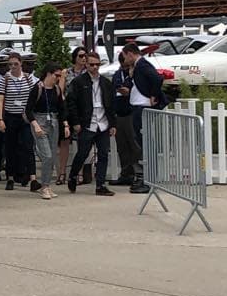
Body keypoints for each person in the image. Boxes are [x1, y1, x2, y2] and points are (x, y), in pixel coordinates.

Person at [66, 52, 116, 196]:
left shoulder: (106, 83)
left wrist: (113, 124)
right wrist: (75, 122)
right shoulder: (79, 82)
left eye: (97, 64)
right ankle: (73, 175)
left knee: (103, 154)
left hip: (103, 123)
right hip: (87, 123)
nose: (95, 67)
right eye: (92, 64)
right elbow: (71, 103)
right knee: (82, 153)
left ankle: (100, 185)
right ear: (86, 64)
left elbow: (111, 105)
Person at [121, 43, 165, 194]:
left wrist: (154, 95)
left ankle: (148, 178)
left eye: (125, 56)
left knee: (143, 143)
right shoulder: (136, 67)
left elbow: (157, 79)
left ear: (130, 54)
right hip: (138, 107)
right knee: (141, 142)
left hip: (143, 108)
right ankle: (145, 177)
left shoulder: (143, 66)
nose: (125, 59)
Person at [25, 62, 69, 200]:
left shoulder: (56, 89)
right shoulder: (37, 88)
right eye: (57, 75)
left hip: (54, 122)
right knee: (47, 155)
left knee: (52, 156)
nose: (58, 78)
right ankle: (44, 186)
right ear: (49, 73)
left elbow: (61, 108)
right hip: (39, 121)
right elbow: (28, 109)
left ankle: (47, 185)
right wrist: (35, 125)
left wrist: (65, 125)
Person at [0, 52, 39, 191]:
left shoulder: (28, 78)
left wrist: (31, 113)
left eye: (15, 64)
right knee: (10, 148)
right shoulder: (6, 79)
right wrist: (0, 119)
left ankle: (33, 178)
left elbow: (34, 96)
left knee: (28, 147)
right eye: (10, 64)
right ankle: (10, 178)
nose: (13, 67)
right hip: (10, 117)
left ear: (21, 63)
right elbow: (1, 100)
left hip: (24, 117)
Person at [57, 46, 88, 185]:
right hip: (68, 109)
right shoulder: (66, 72)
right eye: (81, 56)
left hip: (82, 110)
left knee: (80, 143)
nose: (83, 58)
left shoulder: (87, 73)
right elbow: (61, 90)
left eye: (85, 56)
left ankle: (78, 173)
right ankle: (62, 173)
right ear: (75, 57)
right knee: (64, 142)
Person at [110, 52, 139, 187]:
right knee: (122, 146)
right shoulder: (117, 74)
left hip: (130, 112)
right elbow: (116, 86)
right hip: (119, 113)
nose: (125, 68)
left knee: (134, 145)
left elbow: (132, 89)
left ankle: (137, 174)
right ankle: (126, 173)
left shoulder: (135, 74)